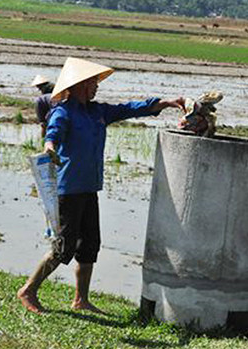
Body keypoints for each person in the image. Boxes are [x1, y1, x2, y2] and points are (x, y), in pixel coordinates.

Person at [17, 57, 184, 314]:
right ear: (80, 84)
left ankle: (81, 299)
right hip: (69, 190)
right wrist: (49, 147)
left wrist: (163, 103)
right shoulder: (63, 111)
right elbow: (53, 134)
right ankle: (28, 290)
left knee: (89, 246)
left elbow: (128, 108)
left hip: (89, 188)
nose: (96, 86)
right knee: (64, 248)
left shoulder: (97, 112)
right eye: (93, 82)